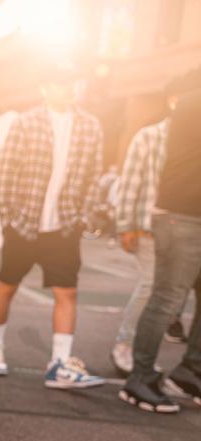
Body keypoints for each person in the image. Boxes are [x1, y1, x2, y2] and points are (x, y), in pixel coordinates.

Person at [0, 63, 104, 389]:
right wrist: (9, 216)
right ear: (45, 87)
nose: (68, 89)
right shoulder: (26, 122)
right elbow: (5, 171)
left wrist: (81, 218)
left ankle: (59, 364)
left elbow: (94, 175)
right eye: (61, 84)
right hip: (24, 222)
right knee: (8, 285)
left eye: (72, 83)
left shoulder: (90, 126)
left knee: (68, 292)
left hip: (63, 227)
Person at [120, 77, 201, 413]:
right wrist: (126, 224)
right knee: (167, 299)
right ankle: (139, 378)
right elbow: (132, 180)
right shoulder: (191, 103)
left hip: (190, 216)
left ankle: (190, 370)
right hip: (181, 218)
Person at [110, 76, 190, 376]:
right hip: (147, 226)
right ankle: (124, 344)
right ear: (173, 101)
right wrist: (126, 225)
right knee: (150, 287)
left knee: (170, 296)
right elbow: (130, 183)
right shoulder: (150, 136)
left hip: (184, 229)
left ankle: (144, 355)